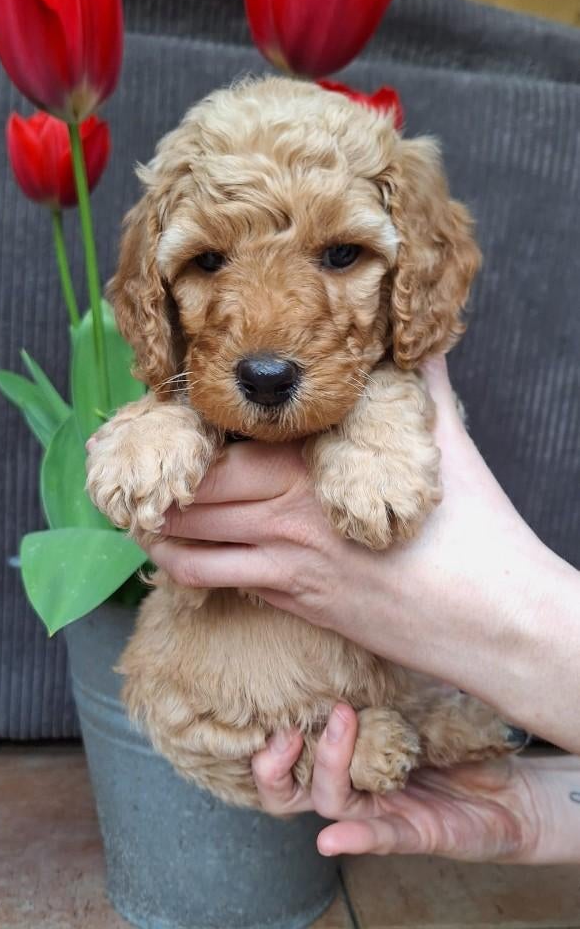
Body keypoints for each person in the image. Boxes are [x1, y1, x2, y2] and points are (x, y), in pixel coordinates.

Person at [147, 356, 580, 864]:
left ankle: (426, 726)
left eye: (336, 267)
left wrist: (488, 619)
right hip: (225, 681)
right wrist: (538, 810)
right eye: (211, 268)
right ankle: (344, 745)